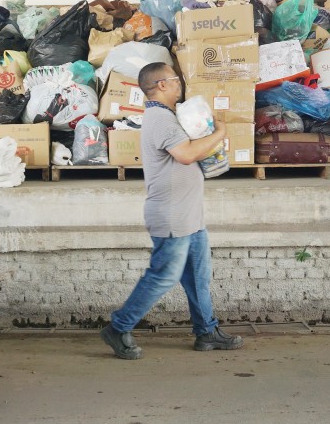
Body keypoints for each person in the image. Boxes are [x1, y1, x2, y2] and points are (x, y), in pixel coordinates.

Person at [100, 62, 243, 360]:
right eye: (175, 80)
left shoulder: (168, 116)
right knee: (162, 276)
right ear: (162, 85)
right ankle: (118, 327)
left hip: (189, 216)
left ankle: (206, 332)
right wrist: (221, 132)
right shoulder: (160, 120)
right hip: (171, 217)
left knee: (196, 277)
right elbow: (187, 154)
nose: (180, 84)